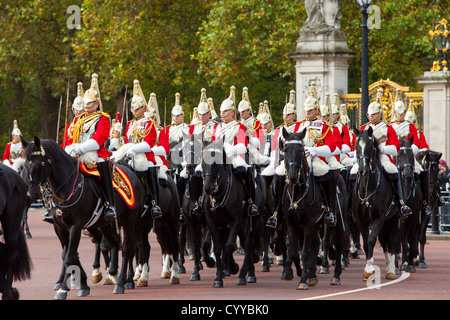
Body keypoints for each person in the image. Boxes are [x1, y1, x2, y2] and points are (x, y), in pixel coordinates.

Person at [266, 84, 337, 228]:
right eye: (305, 110)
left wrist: (316, 151)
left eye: (310, 110)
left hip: (315, 157)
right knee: (279, 173)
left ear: (316, 110)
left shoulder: (324, 125)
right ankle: (277, 212)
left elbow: (331, 147)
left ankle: (329, 209)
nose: (307, 112)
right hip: (298, 158)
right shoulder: (298, 125)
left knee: (325, 172)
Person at [349, 91, 412, 219]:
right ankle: (349, 204)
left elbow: (396, 148)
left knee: (393, 171)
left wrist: (382, 149)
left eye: (374, 114)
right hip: (366, 158)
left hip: (382, 157)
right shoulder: (362, 128)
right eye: (369, 114)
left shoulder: (388, 128)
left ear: (380, 114)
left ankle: (400, 203)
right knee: (352, 173)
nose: (371, 117)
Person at [68, 73, 116, 222]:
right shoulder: (77, 120)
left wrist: (80, 149)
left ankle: (109, 205)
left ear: (96, 104)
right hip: (76, 153)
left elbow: (98, 140)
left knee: (103, 166)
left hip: (96, 154)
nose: (86, 105)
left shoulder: (102, 118)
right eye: (85, 103)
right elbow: (70, 138)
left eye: (90, 103)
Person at [211, 85, 259, 216]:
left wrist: (230, 151)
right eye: (221, 111)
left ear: (232, 112)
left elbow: (243, 145)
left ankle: (250, 202)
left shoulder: (239, 126)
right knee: (201, 171)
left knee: (243, 169)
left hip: (234, 154)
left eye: (225, 111)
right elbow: (214, 142)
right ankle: (201, 201)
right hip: (219, 155)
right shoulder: (217, 127)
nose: (222, 113)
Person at [122, 80, 163, 219]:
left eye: (137, 108)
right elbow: (127, 141)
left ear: (144, 108)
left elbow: (149, 143)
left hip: (145, 155)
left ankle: (154, 203)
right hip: (130, 154)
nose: (134, 111)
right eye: (133, 108)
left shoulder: (149, 123)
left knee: (150, 166)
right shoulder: (130, 124)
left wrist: (134, 149)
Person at [391, 88, 431, 217]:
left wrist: (409, 151)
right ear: (394, 112)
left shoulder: (410, 126)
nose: (400, 115)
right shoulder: (390, 126)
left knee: (421, 171)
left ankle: (425, 203)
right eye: (398, 112)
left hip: (408, 157)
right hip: (394, 157)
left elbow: (415, 143)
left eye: (402, 112)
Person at [184, 88, 219, 215]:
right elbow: (188, 143)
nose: (202, 116)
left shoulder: (215, 126)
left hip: (210, 157)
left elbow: (216, 142)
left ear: (209, 113)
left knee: (202, 173)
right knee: (182, 176)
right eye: (200, 114)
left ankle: (204, 201)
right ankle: (184, 206)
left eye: (204, 114)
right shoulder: (193, 127)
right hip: (195, 158)